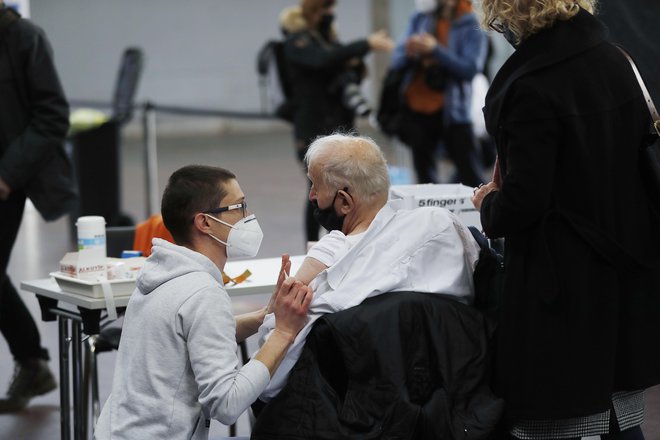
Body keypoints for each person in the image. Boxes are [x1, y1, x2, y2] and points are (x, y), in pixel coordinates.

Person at [471, 1, 660, 439]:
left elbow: (523, 203)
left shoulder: (530, 83)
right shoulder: (617, 60)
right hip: (625, 263)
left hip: (560, 280)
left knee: (555, 415)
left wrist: (487, 203)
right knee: (620, 409)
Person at [257, 133, 480, 401]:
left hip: (353, 411)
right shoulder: (444, 226)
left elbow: (269, 382)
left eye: (315, 186)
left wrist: (275, 316)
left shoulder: (333, 276)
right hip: (449, 396)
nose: (313, 196)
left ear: (345, 202)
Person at [95, 165, 312, 440]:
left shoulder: (160, 272)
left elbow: (195, 335)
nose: (248, 217)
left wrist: (266, 316)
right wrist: (283, 333)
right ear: (205, 222)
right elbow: (227, 404)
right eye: (239, 207)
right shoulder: (202, 293)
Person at [0, 3, 70, 412]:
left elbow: (52, 115)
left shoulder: (24, 37)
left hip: (9, 182)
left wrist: (7, 174)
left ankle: (32, 361)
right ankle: (32, 362)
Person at [281, 0, 394, 244]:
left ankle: (347, 239)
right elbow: (323, 60)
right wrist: (366, 44)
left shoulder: (327, 40)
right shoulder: (296, 43)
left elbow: (342, 65)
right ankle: (311, 245)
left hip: (339, 126)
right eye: (325, 10)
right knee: (315, 190)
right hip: (312, 129)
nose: (330, 14)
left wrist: (355, 63)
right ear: (314, 12)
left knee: (347, 188)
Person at [390, 0, 487, 185]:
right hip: (417, 109)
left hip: (454, 112)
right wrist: (412, 51)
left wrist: (436, 50)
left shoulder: (471, 23)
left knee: (470, 174)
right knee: (424, 178)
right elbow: (397, 59)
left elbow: (470, 69)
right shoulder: (420, 18)